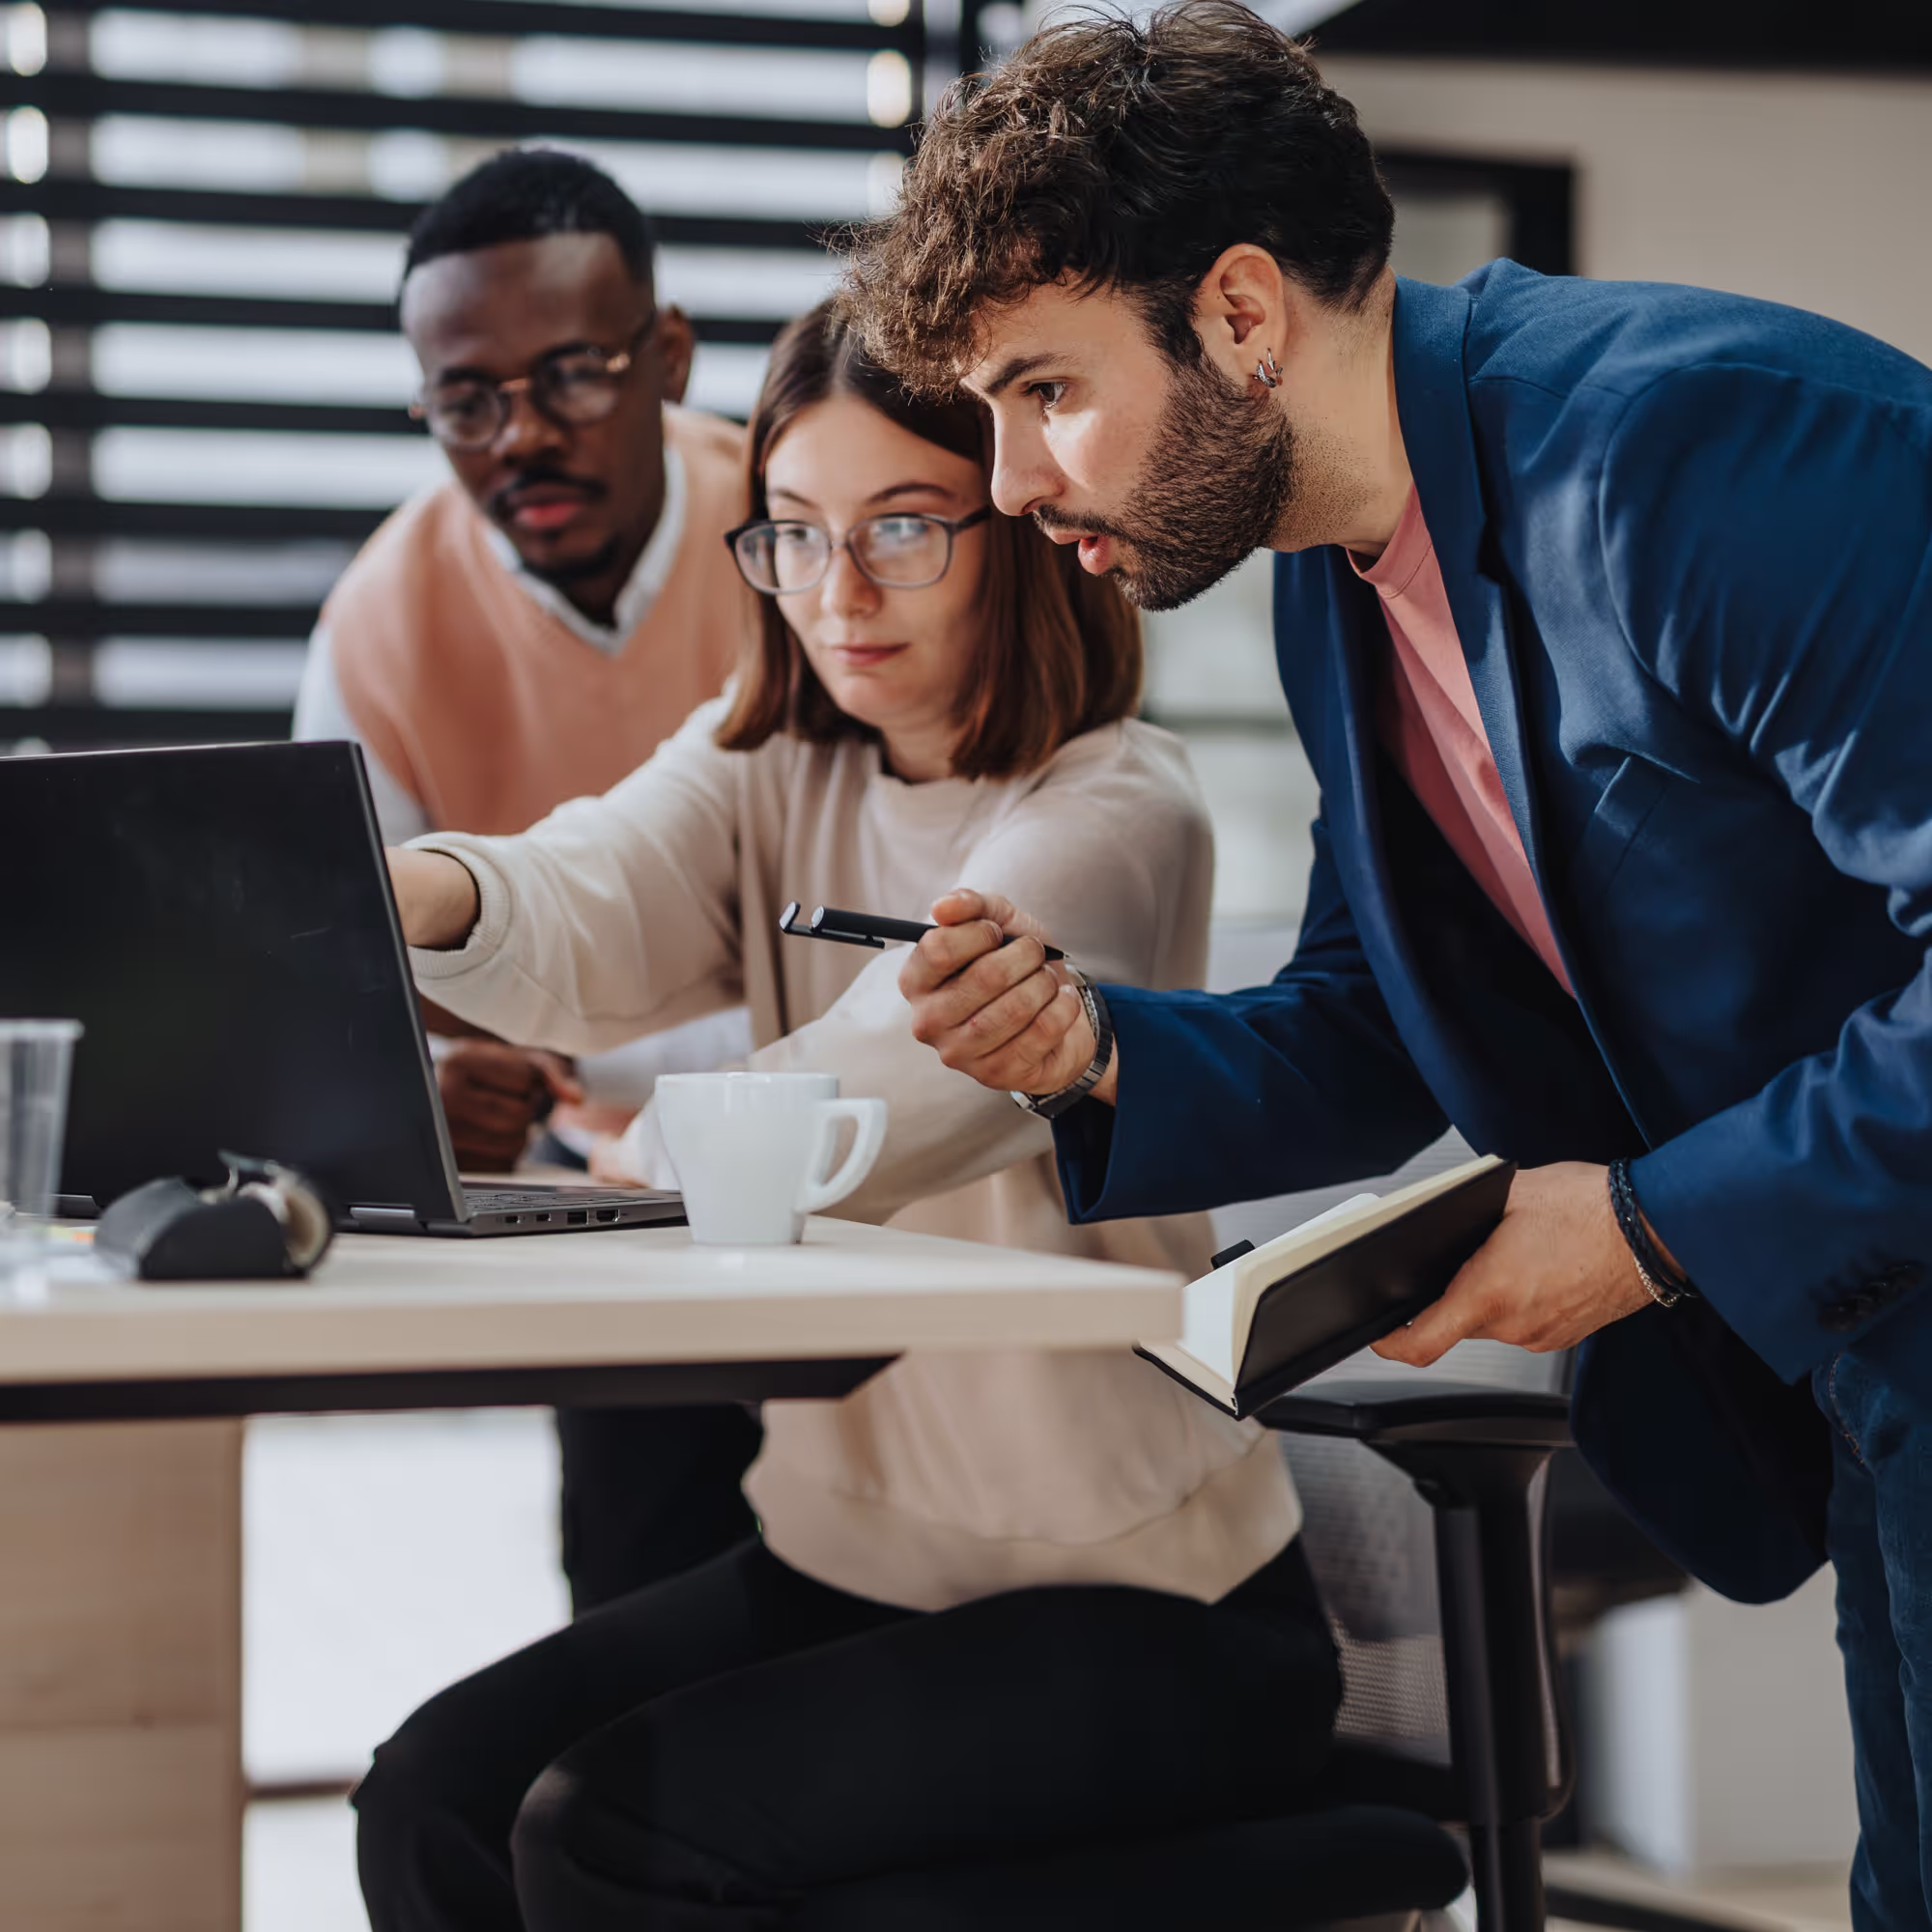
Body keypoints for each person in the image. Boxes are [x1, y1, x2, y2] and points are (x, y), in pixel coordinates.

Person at [848, 7, 1932, 1927]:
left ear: (1242, 315)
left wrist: (1651, 1225)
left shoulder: (1690, 449)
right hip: (1871, 1346)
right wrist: (1092, 1053)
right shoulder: (1333, 584)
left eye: (1041, 389)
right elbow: (1380, 1014)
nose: (1009, 481)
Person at [353, 303, 1338, 1931]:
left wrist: (648, 1151)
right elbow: (583, 894)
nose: (837, 592)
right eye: (795, 535)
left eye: (899, 529)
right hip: (851, 1565)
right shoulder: (770, 767)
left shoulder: (1112, 806)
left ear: (1016, 526)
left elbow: (895, 1093)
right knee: (434, 1797)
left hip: (1152, 1606)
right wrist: (403, 891)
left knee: (605, 1838)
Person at [292, 147, 761, 1615]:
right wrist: (417, 1090)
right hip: (597, 1209)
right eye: (466, 401)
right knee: (636, 1608)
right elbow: (327, 975)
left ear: (668, 357)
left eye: (572, 376)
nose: (518, 440)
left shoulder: (811, 539)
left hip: (850, 1151)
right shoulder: (383, 621)